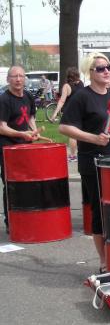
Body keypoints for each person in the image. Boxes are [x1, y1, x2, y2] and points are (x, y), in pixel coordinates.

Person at [60, 53, 110, 271]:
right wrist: (93, 138)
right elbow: (65, 127)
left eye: (108, 67)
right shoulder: (82, 97)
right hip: (94, 162)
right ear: (90, 72)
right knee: (100, 211)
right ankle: (104, 261)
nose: (107, 71)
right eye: (101, 68)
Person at [0, 66, 40, 231]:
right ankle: (11, 222)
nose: (18, 79)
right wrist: (21, 134)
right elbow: (1, 127)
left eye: (21, 76)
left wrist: (34, 131)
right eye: (14, 76)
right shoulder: (4, 100)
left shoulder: (28, 96)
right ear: (8, 79)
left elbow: (30, 117)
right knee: (11, 185)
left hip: (25, 146)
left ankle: (26, 217)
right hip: (8, 147)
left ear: (25, 79)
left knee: (27, 183)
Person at [51, 67, 83, 161]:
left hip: (71, 112)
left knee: (72, 135)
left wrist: (55, 113)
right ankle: (80, 153)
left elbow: (62, 101)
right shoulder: (81, 84)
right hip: (81, 111)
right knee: (80, 133)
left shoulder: (67, 86)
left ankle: (72, 155)